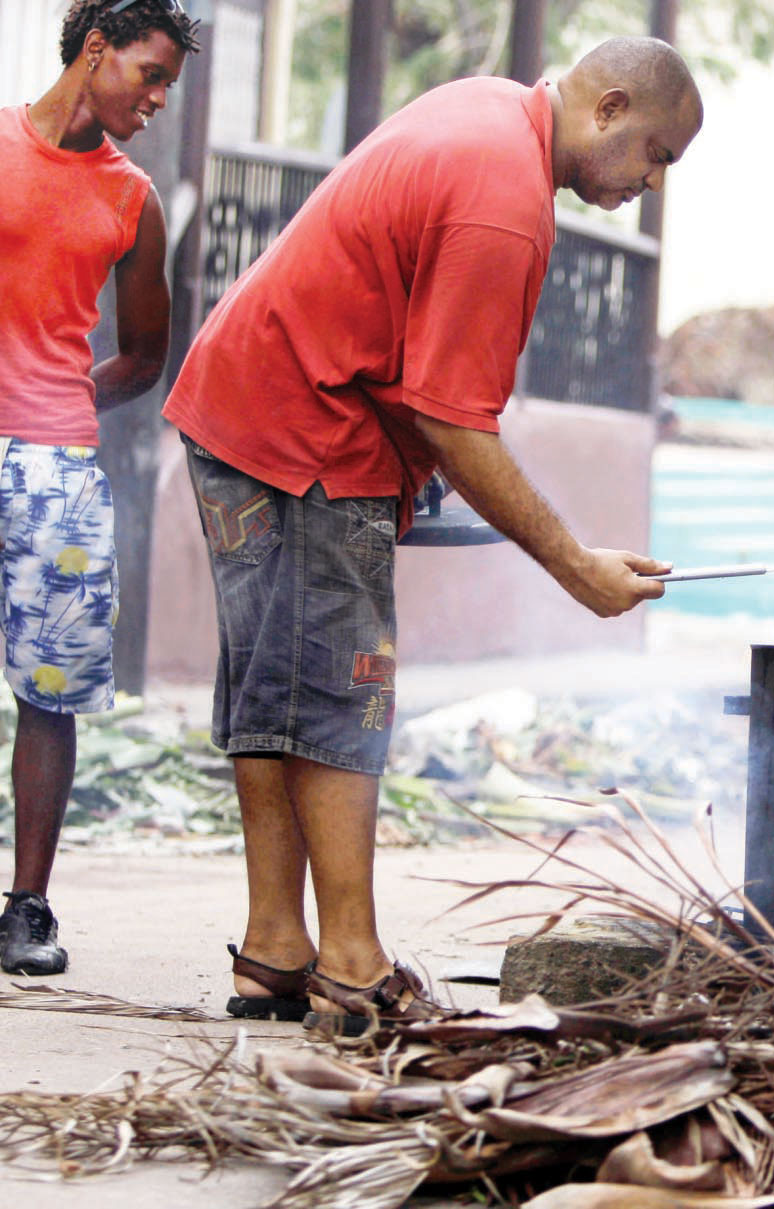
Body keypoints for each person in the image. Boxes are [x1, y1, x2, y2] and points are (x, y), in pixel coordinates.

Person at [163, 37, 702, 1031]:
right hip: (302, 433)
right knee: (339, 689)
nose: (652, 181)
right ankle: (353, 964)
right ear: (611, 107)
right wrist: (571, 564)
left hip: (243, 408)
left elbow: (410, 352)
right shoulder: (506, 200)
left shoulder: (489, 106)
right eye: (656, 154)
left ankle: (278, 948)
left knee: (271, 683)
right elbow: (456, 418)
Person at [0, 0, 198, 975]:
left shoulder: (134, 200)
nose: (157, 99)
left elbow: (145, 357)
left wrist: (64, 405)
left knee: (52, 694)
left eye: (168, 84)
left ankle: (26, 910)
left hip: (57, 470)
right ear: (94, 51)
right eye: (149, 74)